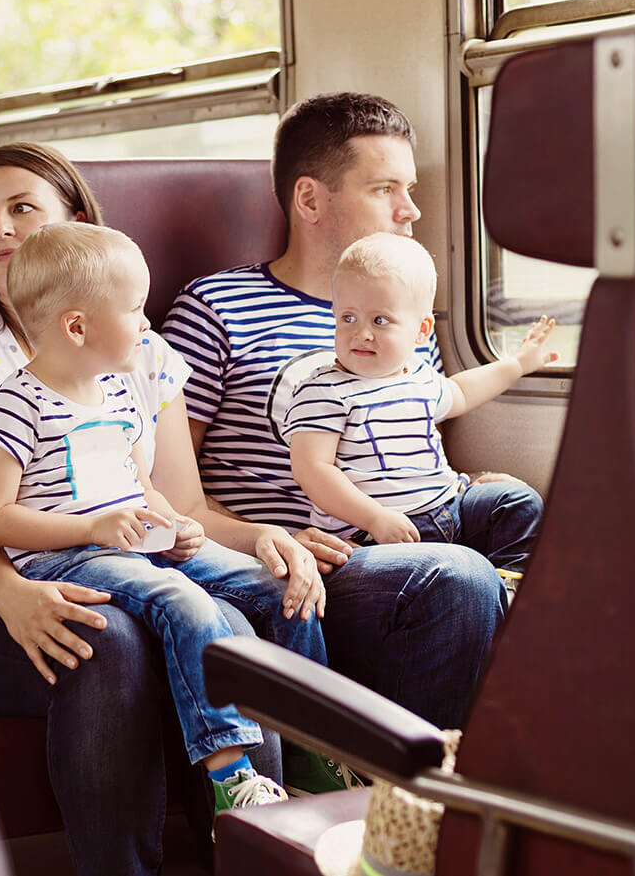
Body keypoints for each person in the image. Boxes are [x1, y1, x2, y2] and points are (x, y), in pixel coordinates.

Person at [0, 142, 325, 876]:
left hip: (126, 554)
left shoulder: (138, 350)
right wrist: (16, 597)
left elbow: (163, 496)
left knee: (250, 607)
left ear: (79, 223)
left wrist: (261, 538)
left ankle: (278, 824)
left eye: (22, 208)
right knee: (106, 634)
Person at [161, 92, 517, 730]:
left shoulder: (405, 312)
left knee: (548, 519)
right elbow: (166, 494)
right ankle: (410, 803)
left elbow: (412, 438)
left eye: (408, 189)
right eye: (385, 189)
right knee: (457, 577)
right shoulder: (215, 308)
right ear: (309, 200)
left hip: (408, 529)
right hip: (306, 565)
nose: (410, 211)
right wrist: (270, 541)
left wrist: (463, 488)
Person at [0, 221, 330, 814]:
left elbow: (141, 490)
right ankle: (231, 776)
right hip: (69, 557)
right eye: (136, 309)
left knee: (281, 584)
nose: (147, 323)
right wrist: (91, 528)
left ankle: (317, 748)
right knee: (186, 603)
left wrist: (175, 526)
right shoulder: (16, 404)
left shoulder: (118, 392)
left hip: (138, 544)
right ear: (76, 327)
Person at [283, 233, 554, 578]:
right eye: (348, 318)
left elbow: (462, 392)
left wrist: (516, 364)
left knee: (518, 500)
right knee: (447, 573)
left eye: (379, 321)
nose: (361, 333)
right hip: (369, 534)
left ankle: (514, 590)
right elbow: (312, 469)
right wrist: (374, 518)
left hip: (448, 505)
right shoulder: (324, 389)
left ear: (421, 330)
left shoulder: (420, 378)